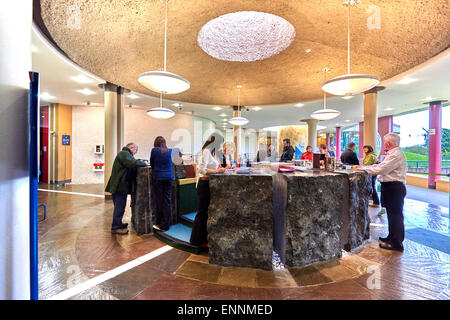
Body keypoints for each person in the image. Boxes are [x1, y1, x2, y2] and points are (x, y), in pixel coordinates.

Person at [354, 133, 407, 252]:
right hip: (390, 186)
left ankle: (397, 243)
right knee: (391, 215)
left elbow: (381, 169)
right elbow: (381, 166)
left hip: (394, 187)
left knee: (396, 215)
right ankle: (391, 237)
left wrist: (362, 168)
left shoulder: (396, 155)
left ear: (388, 143)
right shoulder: (392, 154)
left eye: (384, 143)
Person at [190, 133, 226, 247]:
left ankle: (203, 239)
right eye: (220, 143)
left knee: (205, 212)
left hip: (208, 184)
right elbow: (201, 169)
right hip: (204, 184)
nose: (221, 146)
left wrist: (219, 169)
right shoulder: (206, 151)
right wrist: (217, 171)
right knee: (202, 212)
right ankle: (197, 240)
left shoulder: (212, 152)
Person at [105, 142, 147, 234]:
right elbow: (131, 163)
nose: (135, 153)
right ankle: (115, 227)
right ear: (132, 148)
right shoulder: (124, 153)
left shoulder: (125, 154)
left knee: (120, 206)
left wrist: (139, 162)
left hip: (119, 185)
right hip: (119, 186)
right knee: (119, 207)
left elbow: (132, 162)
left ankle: (118, 223)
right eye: (136, 151)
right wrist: (143, 163)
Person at [150, 136, 174, 232]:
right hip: (169, 178)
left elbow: (152, 163)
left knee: (159, 201)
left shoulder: (154, 150)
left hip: (158, 178)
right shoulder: (170, 151)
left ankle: (160, 224)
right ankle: (166, 224)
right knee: (167, 201)